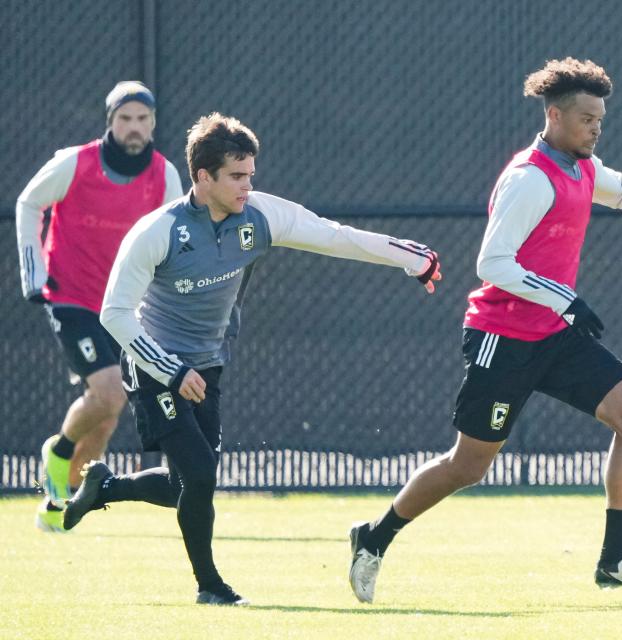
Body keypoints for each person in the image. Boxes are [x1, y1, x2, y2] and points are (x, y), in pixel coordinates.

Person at [347, 57, 622, 604]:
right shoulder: (529, 178)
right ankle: (375, 536)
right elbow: (492, 263)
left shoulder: (584, 167)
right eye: (586, 119)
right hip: (501, 337)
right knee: (469, 465)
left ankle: (614, 559)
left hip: (553, 332)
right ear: (554, 115)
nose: (596, 128)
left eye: (600, 118)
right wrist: (566, 299)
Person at [61, 113, 442, 606]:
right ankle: (210, 586)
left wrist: (407, 257)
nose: (247, 185)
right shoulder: (158, 231)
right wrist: (173, 371)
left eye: (250, 175)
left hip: (207, 365)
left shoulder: (260, 216)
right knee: (199, 475)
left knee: (187, 481)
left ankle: (104, 488)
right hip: (155, 367)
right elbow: (115, 314)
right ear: (203, 177)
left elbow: (331, 235)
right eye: (236, 176)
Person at [16, 81, 184, 532]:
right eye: (125, 118)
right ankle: (58, 451)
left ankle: (58, 503)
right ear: (110, 121)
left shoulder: (164, 174)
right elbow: (29, 202)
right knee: (109, 392)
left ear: (153, 124)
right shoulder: (75, 163)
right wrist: (32, 272)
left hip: (124, 306)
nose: (134, 127)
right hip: (70, 296)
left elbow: (172, 239)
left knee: (107, 416)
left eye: (142, 119)